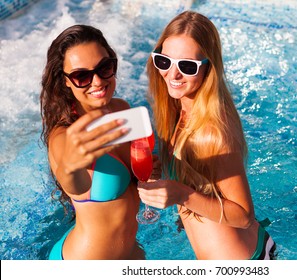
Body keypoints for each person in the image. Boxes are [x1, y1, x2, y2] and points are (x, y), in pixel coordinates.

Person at [138, 11, 276, 260]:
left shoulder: (213, 130)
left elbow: (244, 216)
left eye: (187, 66)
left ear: (208, 68)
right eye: (164, 61)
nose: (173, 75)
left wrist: (182, 194)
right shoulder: (180, 108)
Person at [40, 24, 144, 259]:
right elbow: (74, 184)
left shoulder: (122, 109)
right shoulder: (65, 136)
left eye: (104, 67)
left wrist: (151, 169)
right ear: (66, 81)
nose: (97, 81)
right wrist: (71, 167)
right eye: (81, 76)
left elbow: (139, 174)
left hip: (131, 254)